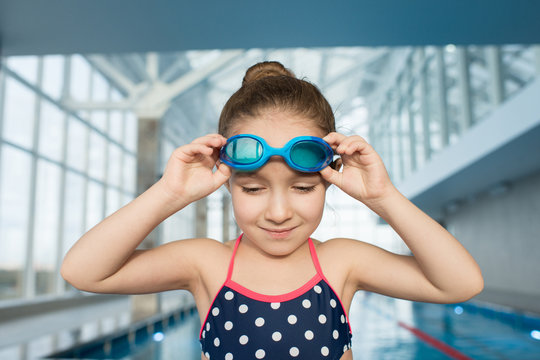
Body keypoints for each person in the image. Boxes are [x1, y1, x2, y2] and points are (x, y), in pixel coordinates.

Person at [61, 61, 483, 360]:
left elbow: (460, 285)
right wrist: (169, 194)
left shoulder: (341, 262)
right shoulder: (207, 264)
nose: (279, 212)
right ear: (227, 182)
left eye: (302, 187)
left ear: (328, 178)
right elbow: (84, 272)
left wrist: (383, 197)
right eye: (253, 188)